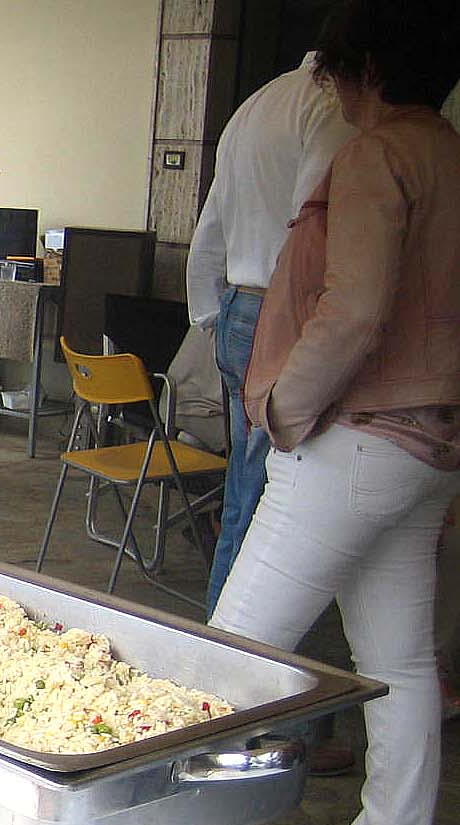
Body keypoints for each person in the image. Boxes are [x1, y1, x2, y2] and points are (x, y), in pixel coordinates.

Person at [207, 1, 460, 825]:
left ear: (367, 70)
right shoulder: (450, 153)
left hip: (353, 438)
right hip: (429, 445)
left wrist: (283, 406)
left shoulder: (376, 154)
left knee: (225, 660)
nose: (332, 90)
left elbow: (353, 310)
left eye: (336, 73)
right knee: (402, 667)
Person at [186, 54, 356, 613]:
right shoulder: (329, 105)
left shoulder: (258, 104)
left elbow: (212, 220)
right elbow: (313, 229)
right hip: (284, 308)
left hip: (241, 304)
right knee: (267, 493)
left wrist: (211, 313)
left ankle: (222, 620)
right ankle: (232, 634)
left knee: (247, 485)